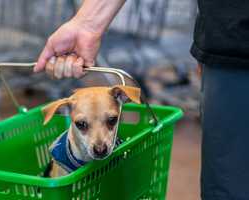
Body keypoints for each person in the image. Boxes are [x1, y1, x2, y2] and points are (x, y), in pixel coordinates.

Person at [34, 0, 249, 199]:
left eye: (111, 121)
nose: (100, 144)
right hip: (232, 43)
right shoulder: (61, 154)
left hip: (231, 43)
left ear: (122, 99)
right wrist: (86, 25)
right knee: (230, 183)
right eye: (82, 125)